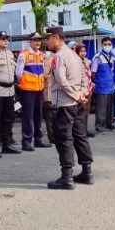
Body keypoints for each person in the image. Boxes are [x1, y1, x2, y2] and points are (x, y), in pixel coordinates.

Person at [44, 27, 94, 190]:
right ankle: (87, 172)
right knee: (80, 136)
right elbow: (85, 78)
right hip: (78, 103)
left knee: (64, 138)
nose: (47, 42)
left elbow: (61, 81)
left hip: (65, 103)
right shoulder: (74, 55)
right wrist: (83, 93)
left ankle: (67, 177)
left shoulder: (58, 57)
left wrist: (76, 94)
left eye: (49, 38)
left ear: (56, 38)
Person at [15, 32, 50, 151]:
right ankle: (26, 141)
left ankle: (38, 139)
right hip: (28, 90)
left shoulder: (41, 54)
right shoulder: (23, 55)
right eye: (35, 40)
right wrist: (26, 83)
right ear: (29, 41)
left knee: (38, 115)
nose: (37, 42)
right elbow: (18, 73)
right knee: (28, 116)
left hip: (39, 89)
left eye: (39, 40)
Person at [91, 37, 115, 133]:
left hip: (110, 85)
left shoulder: (112, 56)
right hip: (101, 85)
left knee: (110, 107)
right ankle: (100, 126)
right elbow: (93, 73)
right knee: (101, 107)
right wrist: (98, 83)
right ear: (102, 45)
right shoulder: (98, 57)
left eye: (109, 44)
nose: (107, 46)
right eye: (105, 44)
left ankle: (109, 124)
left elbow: (112, 70)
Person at [74, 44, 95, 138]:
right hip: (81, 89)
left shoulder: (87, 62)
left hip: (88, 88)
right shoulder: (75, 62)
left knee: (87, 110)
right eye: (81, 51)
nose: (83, 53)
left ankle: (85, 129)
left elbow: (88, 75)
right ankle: (80, 131)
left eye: (84, 51)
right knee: (81, 111)